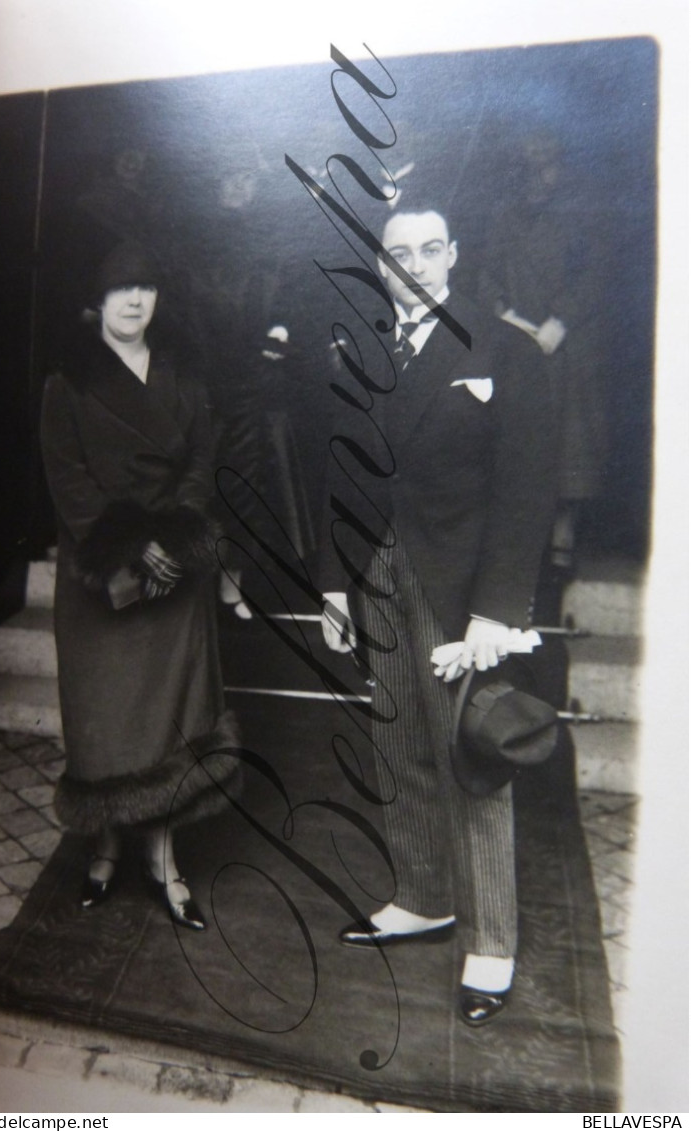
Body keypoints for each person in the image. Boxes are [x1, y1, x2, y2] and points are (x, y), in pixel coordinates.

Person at [321, 202, 556, 1025]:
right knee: (397, 741)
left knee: (470, 754)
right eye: (399, 253)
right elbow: (343, 476)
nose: (416, 264)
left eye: (430, 248)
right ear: (381, 265)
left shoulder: (505, 349)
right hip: (377, 574)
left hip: (462, 589)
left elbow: (527, 491)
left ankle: (491, 940)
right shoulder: (360, 351)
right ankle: (422, 896)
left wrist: (497, 611)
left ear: (453, 254)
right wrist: (332, 582)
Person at [40, 240, 239, 929]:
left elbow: (202, 461)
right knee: (104, 726)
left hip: (172, 578)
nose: (135, 299)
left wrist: (178, 535)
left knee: (168, 727)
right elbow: (69, 483)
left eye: (146, 287)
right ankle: (103, 844)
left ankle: (162, 857)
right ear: (98, 299)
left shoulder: (183, 374)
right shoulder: (66, 380)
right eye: (121, 286)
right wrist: (130, 544)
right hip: (104, 576)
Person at [478, 131, 609, 572]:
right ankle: (523, 552)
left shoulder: (580, 216)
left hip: (566, 348)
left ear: (561, 167)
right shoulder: (504, 218)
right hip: (519, 344)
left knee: (569, 449)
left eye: (547, 166)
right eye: (530, 168)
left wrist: (560, 321)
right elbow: (487, 276)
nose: (539, 178)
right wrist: (506, 315)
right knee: (520, 450)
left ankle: (561, 549)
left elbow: (593, 276)